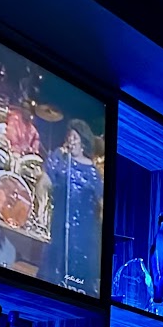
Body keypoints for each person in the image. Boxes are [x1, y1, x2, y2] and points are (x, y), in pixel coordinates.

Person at [46, 118, 103, 291]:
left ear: (83, 142)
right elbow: (46, 179)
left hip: (83, 233)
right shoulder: (60, 159)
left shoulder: (93, 173)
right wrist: (42, 192)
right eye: (69, 136)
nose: (71, 140)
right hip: (60, 225)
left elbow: (101, 203)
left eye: (75, 137)